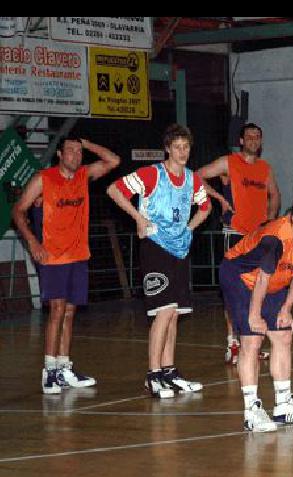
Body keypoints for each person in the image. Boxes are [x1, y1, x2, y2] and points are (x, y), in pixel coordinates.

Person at [107, 124, 211, 399]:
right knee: (163, 311)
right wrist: (139, 218)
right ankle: (153, 375)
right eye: (177, 147)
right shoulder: (152, 174)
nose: (182, 152)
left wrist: (190, 228)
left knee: (174, 313)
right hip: (155, 246)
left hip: (180, 249)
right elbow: (114, 190)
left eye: (186, 146)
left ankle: (169, 372)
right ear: (167, 149)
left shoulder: (192, 179)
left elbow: (206, 206)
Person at [12, 136, 120, 394]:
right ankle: (49, 371)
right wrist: (33, 243)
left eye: (78, 151)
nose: (75, 155)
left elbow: (113, 161)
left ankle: (63, 368)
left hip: (78, 255)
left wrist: (87, 142)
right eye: (70, 151)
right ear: (59, 154)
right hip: (54, 257)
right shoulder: (44, 178)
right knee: (57, 311)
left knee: (70, 313)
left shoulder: (84, 175)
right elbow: (18, 210)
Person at [219, 193, 293, 431]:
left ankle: (283, 405)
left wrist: (287, 309)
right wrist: (254, 315)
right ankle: (252, 410)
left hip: (276, 280)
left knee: (283, 334)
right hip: (240, 276)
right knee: (252, 338)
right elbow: (261, 279)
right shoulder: (275, 237)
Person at [198, 123, 281, 365]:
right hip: (235, 233)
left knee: (259, 288)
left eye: (258, 136)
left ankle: (252, 340)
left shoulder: (265, 169)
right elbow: (196, 176)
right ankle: (232, 343)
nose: (254, 140)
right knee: (234, 289)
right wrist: (220, 199)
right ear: (242, 141)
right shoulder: (229, 162)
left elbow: (274, 194)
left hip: (258, 236)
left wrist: (270, 219)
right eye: (250, 137)